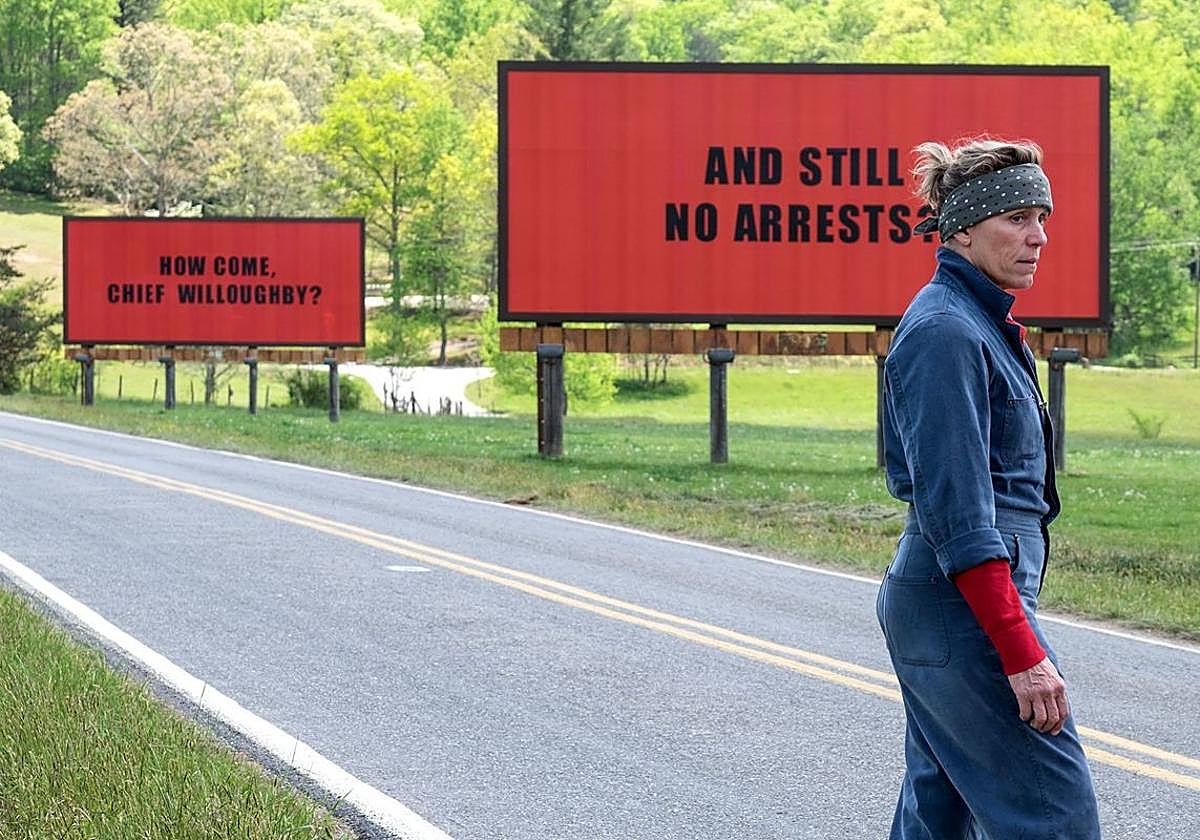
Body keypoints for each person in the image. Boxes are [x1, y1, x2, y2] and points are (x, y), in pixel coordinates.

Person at [876, 137, 1102, 839]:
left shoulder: (976, 322)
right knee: (1053, 815)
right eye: (1016, 218)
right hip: (962, 605)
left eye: (1042, 218)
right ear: (964, 230)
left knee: (939, 816)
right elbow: (960, 516)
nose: (1038, 237)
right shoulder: (946, 332)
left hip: (954, 605)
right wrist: (1020, 649)